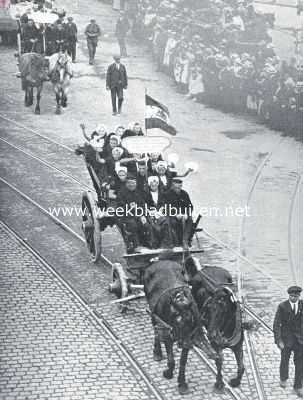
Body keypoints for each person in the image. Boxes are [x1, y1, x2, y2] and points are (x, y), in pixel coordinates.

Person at [273, 286, 303, 398]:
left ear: (299, 296)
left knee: (300, 364)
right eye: (291, 296)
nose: (293, 298)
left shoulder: (302, 305)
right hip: (286, 340)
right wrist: (278, 340)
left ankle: (298, 385)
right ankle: (283, 378)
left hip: (300, 341)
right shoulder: (282, 306)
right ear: (288, 295)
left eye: (295, 296)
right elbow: (276, 325)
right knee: (284, 360)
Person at [161, 178, 194, 248]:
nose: (178, 189)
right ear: (172, 186)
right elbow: (166, 208)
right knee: (173, 222)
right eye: (176, 187)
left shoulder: (184, 194)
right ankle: (175, 242)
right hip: (171, 215)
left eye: (179, 187)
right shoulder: (167, 194)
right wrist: (175, 214)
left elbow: (190, 206)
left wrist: (186, 214)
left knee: (190, 220)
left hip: (183, 215)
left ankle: (185, 241)